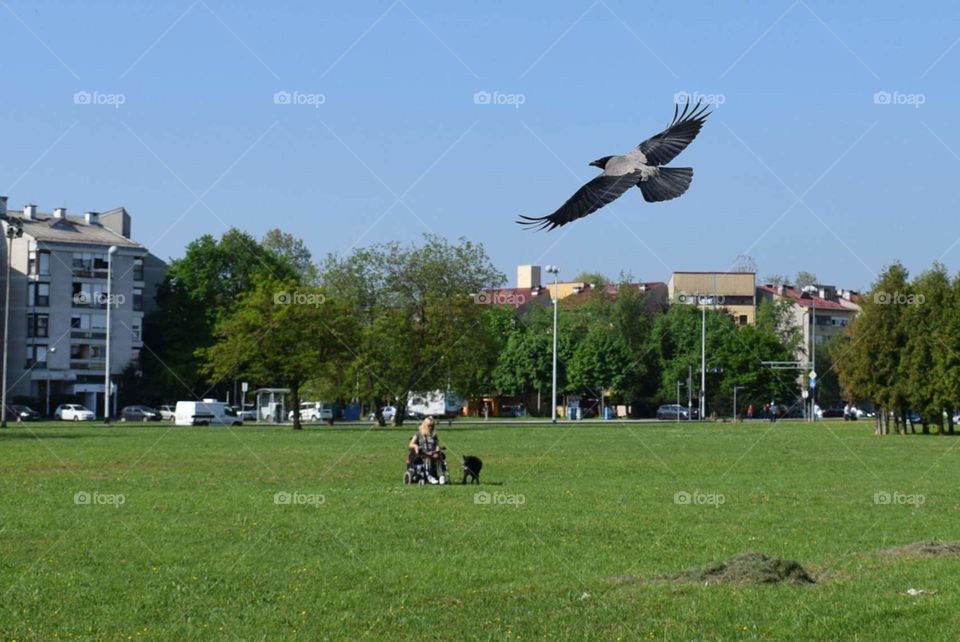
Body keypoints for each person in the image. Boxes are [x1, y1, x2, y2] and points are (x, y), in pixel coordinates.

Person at [408, 417, 446, 484]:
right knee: (428, 457)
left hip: (432, 453)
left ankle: (441, 476)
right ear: (425, 425)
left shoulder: (434, 435)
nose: (431, 427)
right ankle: (430, 476)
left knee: (438, 456)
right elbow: (411, 444)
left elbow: (436, 445)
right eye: (429, 426)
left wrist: (437, 449)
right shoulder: (419, 434)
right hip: (423, 453)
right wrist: (416, 446)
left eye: (432, 426)